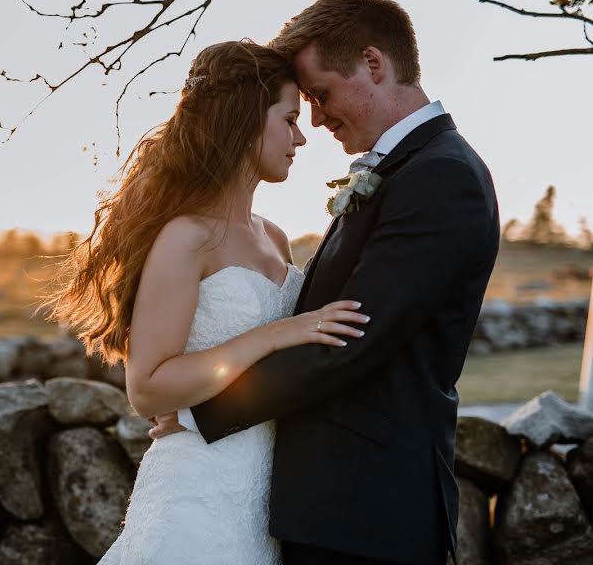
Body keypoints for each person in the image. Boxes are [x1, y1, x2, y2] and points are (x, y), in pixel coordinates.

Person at [152, 0, 501, 565]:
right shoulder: (407, 170)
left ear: (372, 64)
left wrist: (197, 411)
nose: (314, 118)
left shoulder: (442, 176)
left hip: (368, 512)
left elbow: (350, 340)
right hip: (334, 506)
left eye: (321, 94)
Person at [46, 39, 369, 564]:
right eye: (288, 119)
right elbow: (148, 388)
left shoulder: (275, 238)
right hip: (196, 495)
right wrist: (275, 334)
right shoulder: (186, 237)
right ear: (245, 123)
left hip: (268, 497)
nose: (301, 137)